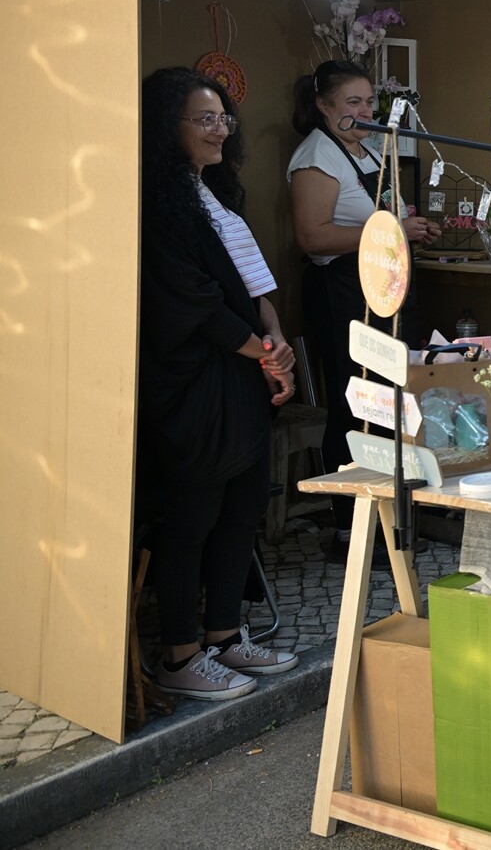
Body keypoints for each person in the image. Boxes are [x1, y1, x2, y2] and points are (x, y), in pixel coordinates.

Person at [139, 67, 300, 700]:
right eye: (203, 120)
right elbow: (195, 303)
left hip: (242, 375)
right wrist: (265, 355)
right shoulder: (159, 207)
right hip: (196, 383)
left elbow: (255, 282)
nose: (218, 130)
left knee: (241, 511)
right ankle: (178, 655)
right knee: (193, 518)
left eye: (222, 119)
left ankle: (225, 637)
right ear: (166, 128)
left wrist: (277, 343)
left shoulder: (215, 195)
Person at [288, 59, 441, 561]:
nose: (363, 110)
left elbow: (377, 216)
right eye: (352, 102)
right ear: (323, 105)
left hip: (382, 287)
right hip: (341, 289)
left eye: (369, 101)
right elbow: (312, 237)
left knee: (389, 400)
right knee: (357, 403)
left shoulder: (366, 147)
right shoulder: (316, 155)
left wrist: (408, 225)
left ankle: (391, 510)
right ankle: (348, 527)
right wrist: (390, 232)